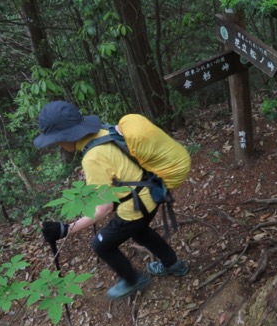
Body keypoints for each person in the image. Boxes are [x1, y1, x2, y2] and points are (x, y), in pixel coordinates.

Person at [35, 101, 190, 300]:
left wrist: (65, 229)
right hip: (151, 191)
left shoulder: (91, 158)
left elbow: (103, 208)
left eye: (56, 140)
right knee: (140, 232)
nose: (57, 144)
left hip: (135, 206)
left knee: (101, 245)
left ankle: (133, 279)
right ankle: (173, 264)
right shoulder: (102, 131)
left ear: (66, 135)